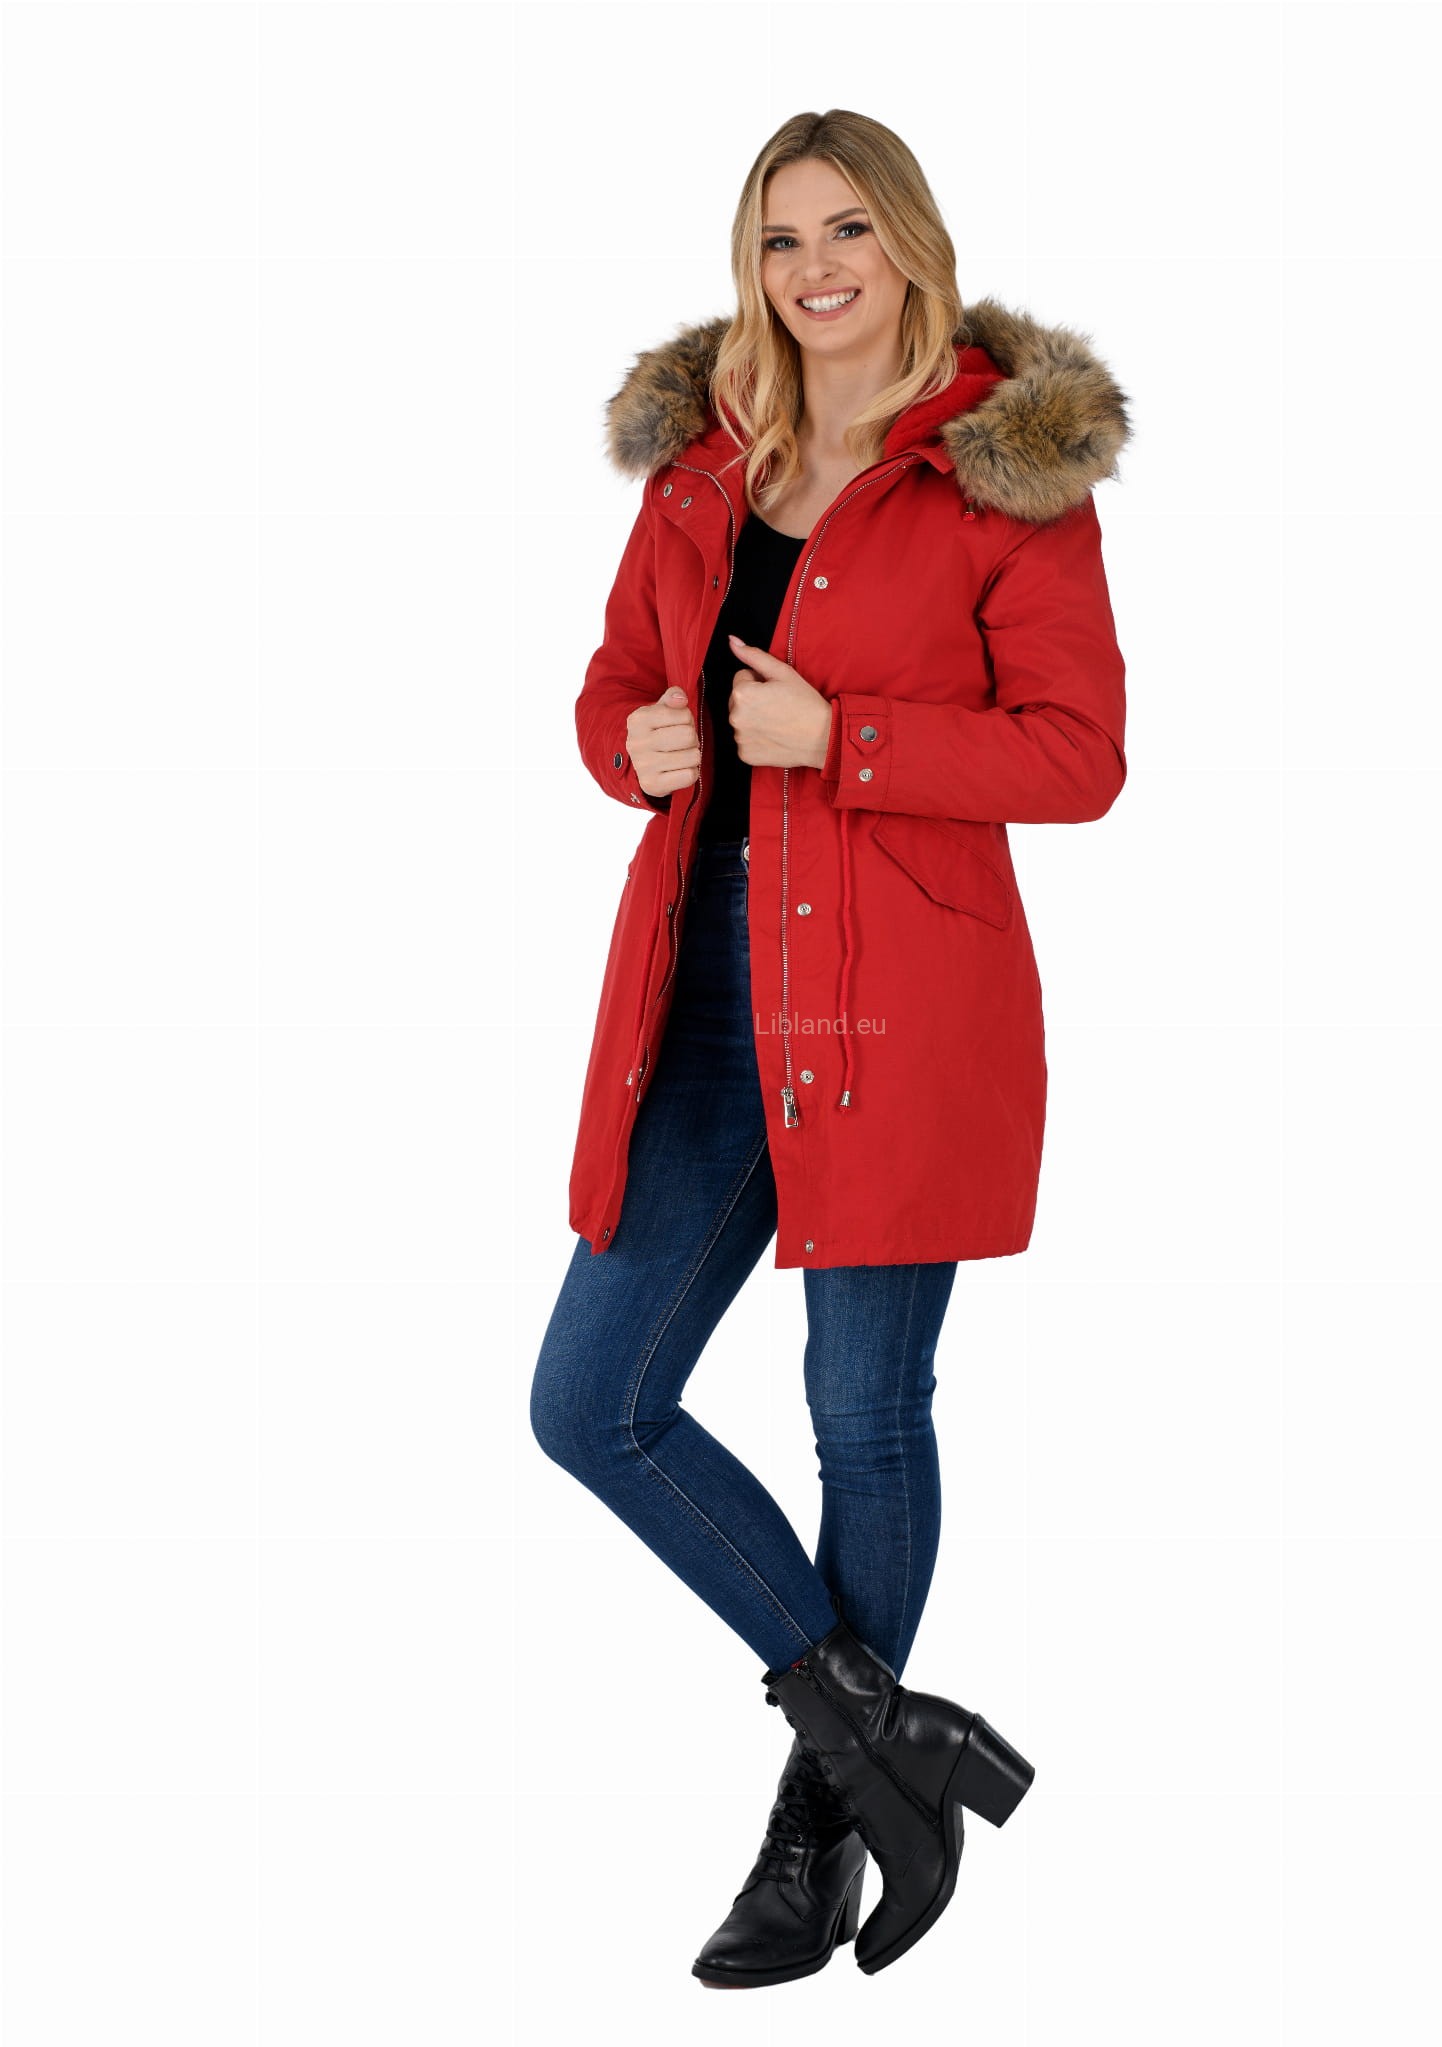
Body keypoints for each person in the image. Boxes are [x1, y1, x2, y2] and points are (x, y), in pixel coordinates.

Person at [530, 107, 1131, 1987]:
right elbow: (615, 686)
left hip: (897, 1006)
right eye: (780, 240)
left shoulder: (998, 476)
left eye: (847, 230)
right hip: (703, 995)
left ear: (911, 245)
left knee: (862, 1415)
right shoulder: (702, 463)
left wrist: (843, 741)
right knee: (591, 1405)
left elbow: (1078, 757)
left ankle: (816, 1836)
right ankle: (889, 1741)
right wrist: (630, 743)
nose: (814, 271)